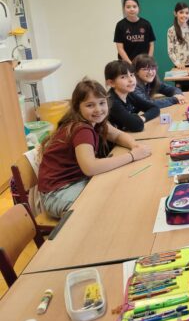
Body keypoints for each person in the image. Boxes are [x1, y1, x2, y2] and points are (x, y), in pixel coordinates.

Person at [38, 79, 151, 218]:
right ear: (77, 107)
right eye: (90, 105)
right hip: (58, 193)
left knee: (119, 190)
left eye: (102, 103)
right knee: (105, 207)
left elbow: (117, 135)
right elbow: (90, 167)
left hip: (76, 182)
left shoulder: (95, 122)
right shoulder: (82, 129)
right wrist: (132, 156)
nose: (98, 109)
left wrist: (135, 146)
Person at [105, 60, 160, 132]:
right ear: (111, 83)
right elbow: (136, 126)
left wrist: (142, 118)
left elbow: (155, 108)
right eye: (123, 77)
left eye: (132, 75)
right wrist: (136, 120)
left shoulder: (129, 94)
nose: (131, 80)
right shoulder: (112, 101)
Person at [113, 0, 156, 64]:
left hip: (144, 63)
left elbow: (151, 44)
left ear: (138, 8)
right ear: (124, 9)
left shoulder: (146, 24)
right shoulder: (120, 25)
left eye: (134, 6)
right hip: (126, 63)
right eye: (128, 7)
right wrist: (130, 64)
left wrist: (148, 60)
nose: (132, 9)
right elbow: (120, 48)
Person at [167, 2, 189, 69]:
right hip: (181, 66)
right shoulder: (171, 30)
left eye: (187, 13)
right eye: (181, 12)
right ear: (175, 13)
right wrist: (178, 63)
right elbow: (170, 51)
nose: (184, 15)